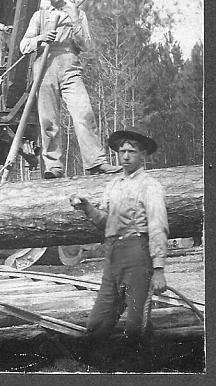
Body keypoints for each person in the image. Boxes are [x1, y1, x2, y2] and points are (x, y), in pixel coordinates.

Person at [69, 124, 168, 370]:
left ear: (143, 154)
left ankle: (146, 368)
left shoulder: (150, 186)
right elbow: (105, 222)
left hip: (137, 254)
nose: (125, 156)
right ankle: (102, 367)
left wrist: (158, 268)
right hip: (112, 255)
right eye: (122, 151)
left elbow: (158, 227)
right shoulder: (113, 185)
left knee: (136, 323)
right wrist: (87, 207)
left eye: (131, 152)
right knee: (97, 322)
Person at [20, 0, 117, 178]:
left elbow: (86, 45)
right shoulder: (40, 16)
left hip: (70, 65)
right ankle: (53, 166)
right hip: (44, 67)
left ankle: (95, 162)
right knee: (49, 120)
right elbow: (24, 45)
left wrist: (74, 20)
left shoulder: (78, 13)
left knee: (84, 112)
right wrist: (41, 38)